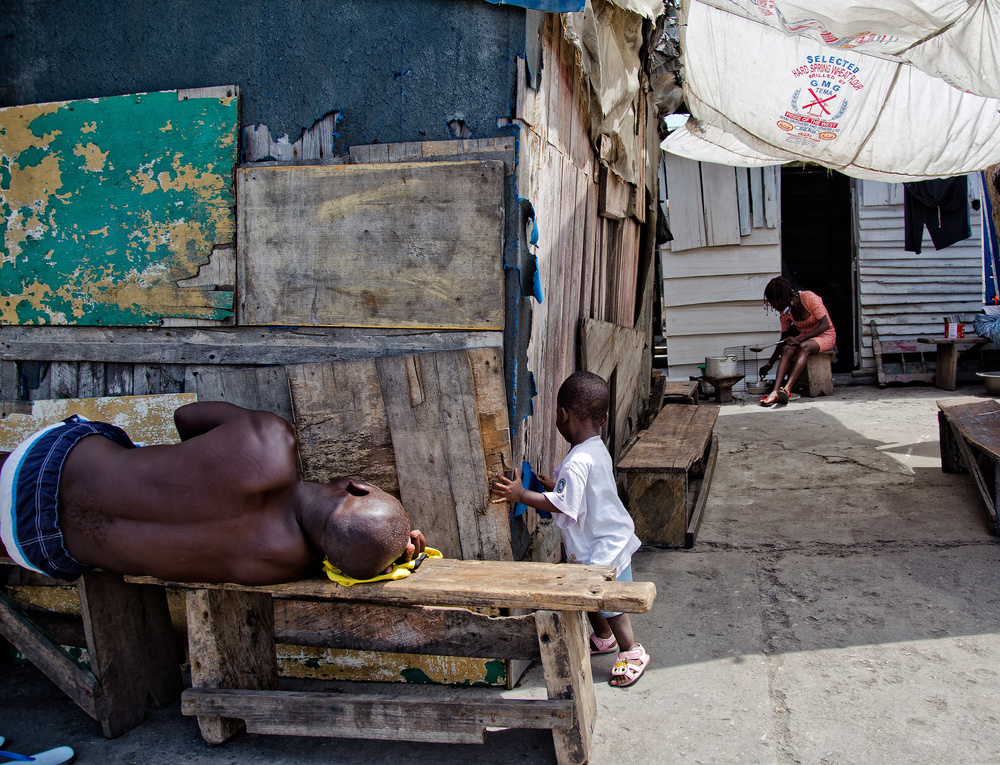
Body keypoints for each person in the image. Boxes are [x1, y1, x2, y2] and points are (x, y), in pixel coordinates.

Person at [0, 401, 425, 586]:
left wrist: (192, 467)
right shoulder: (276, 564)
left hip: (40, 463)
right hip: (37, 547)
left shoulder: (268, 440)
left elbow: (186, 417)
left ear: (355, 484)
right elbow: (347, 563)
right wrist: (386, 556)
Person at [490, 371, 649, 688]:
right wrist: (556, 487)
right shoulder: (595, 447)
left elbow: (565, 504)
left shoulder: (577, 461)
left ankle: (632, 650)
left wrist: (522, 495)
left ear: (563, 415)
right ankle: (603, 639)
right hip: (604, 538)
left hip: (603, 548)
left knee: (612, 603)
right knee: (590, 597)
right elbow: (580, 490)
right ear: (603, 417)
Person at [758, 276, 837, 406]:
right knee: (787, 348)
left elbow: (825, 325)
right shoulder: (786, 312)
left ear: (781, 299)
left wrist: (799, 339)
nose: (773, 307)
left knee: (804, 346)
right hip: (804, 338)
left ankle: (787, 388)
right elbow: (783, 339)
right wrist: (769, 364)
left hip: (825, 335)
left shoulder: (808, 297)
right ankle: (775, 391)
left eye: (773, 303)